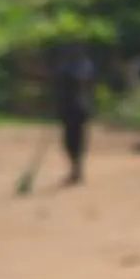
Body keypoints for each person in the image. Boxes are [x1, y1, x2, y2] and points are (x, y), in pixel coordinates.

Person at [51, 42, 97, 187]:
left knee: (76, 140)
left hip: (78, 108)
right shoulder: (72, 66)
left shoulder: (80, 67)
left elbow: (84, 86)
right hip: (70, 108)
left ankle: (77, 170)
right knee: (70, 141)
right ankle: (75, 169)